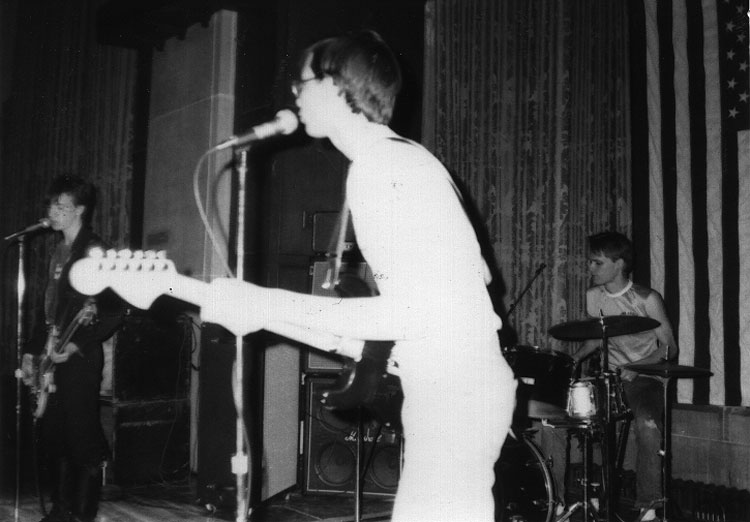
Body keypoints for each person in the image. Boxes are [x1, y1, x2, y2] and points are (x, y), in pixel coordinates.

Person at [200, 30, 517, 521]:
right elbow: (438, 303)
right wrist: (258, 310)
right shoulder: (393, 160)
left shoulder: (385, 166)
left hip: (455, 393)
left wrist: (264, 304)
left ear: (338, 85)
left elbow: (412, 313)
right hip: (455, 387)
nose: (294, 94)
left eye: (303, 82)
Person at [21, 175, 123, 522]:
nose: (52, 212)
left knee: (81, 437)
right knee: (54, 437)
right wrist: (32, 351)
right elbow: (49, 311)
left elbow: (113, 310)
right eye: (51, 205)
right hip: (51, 356)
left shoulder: (96, 252)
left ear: (80, 209)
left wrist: (78, 344)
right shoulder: (58, 252)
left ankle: (82, 515)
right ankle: (59, 511)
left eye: (61, 206)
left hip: (79, 358)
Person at [573, 231, 678, 522]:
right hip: (612, 375)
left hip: (646, 377)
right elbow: (597, 337)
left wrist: (637, 366)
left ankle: (648, 505)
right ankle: (588, 493)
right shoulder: (593, 296)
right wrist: (574, 358)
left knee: (647, 426)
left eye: (597, 262)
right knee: (577, 418)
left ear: (619, 264)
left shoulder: (647, 299)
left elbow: (669, 348)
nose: (590, 268)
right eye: (590, 262)